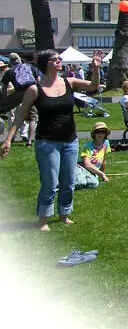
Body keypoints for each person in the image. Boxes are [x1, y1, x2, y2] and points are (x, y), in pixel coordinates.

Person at [1, 48, 103, 231]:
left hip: (70, 141)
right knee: (50, 183)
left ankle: (64, 215)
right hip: (47, 143)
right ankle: (43, 220)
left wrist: (96, 68)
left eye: (60, 58)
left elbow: (93, 86)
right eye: (55, 59)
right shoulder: (35, 89)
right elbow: (20, 116)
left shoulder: (69, 82)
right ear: (45, 64)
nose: (60, 61)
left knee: (69, 182)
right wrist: (8, 139)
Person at [75, 121, 111, 188]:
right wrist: (101, 174)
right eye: (97, 132)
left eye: (103, 131)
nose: (100, 134)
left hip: (92, 172)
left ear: (105, 134)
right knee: (81, 182)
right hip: (82, 169)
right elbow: (87, 164)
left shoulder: (106, 143)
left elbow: (103, 161)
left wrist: (103, 174)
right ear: (94, 134)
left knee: (94, 184)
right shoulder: (88, 146)